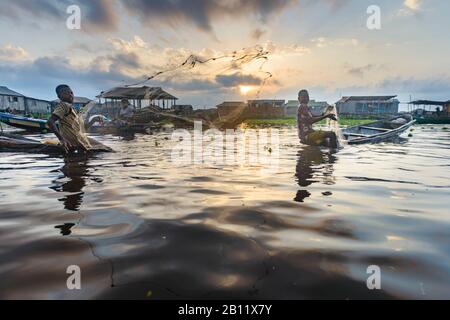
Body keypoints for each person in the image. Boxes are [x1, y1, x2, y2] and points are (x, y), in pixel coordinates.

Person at [47, 85, 92, 153]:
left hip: (80, 144)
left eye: (71, 93)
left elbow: (81, 128)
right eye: (66, 93)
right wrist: (61, 139)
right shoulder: (64, 105)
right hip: (72, 145)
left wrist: (94, 120)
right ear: (59, 97)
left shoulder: (71, 108)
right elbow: (50, 121)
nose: (70, 95)